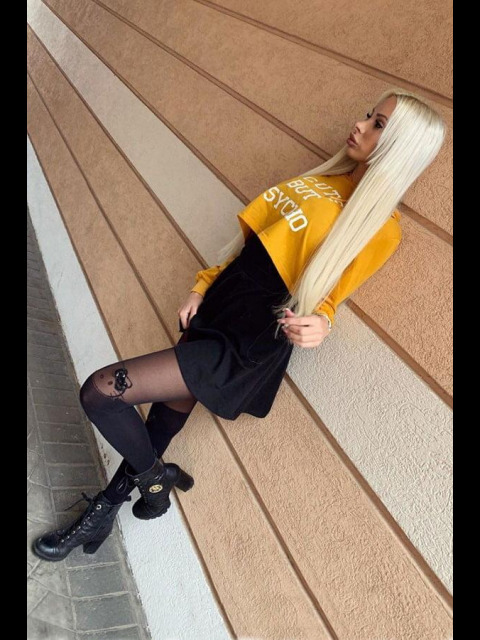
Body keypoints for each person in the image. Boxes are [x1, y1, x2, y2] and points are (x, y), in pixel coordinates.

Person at [32, 88, 446, 562]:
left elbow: (333, 296)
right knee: (165, 417)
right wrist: (202, 286)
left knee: (100, 392)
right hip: (223, 303)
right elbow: (249, 247)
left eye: (379, 126)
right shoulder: (321, 179)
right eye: (370, 114)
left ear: (403, 147)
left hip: (252, 334)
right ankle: (109, 508)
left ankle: (154, 486)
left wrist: (321, 324)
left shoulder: (382, 228)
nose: (360, 124)